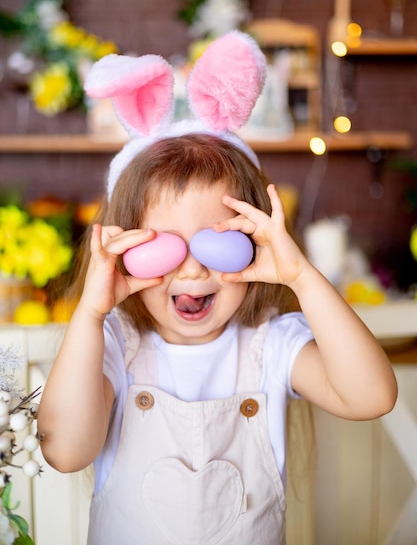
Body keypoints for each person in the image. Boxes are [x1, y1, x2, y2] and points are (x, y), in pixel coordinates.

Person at [37, 31, 397, 545]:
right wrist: (90, 317)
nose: (189, 271)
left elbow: (373, 396)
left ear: (254, 242)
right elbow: (64, 450)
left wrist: (302, 277)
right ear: (122, 249)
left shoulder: (271, 344)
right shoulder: (114, 345)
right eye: (163, 243)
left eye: (214, 241)